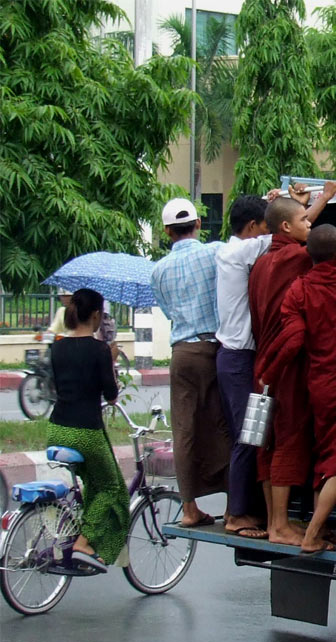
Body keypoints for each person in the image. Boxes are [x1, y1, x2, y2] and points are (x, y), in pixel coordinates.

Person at [254, 193, 336, 553]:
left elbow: (293, 339)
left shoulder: (297, 287)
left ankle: (317, 525)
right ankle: (311, 534)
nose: (306, 221)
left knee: (321, 454)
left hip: (317, 386)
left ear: (309, 253)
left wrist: (268, 370)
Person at [151, 198, 232, 528]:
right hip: (214, 348)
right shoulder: (214, 252)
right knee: (225, 424)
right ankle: (234, 506)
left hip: (181, 353)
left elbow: (169, 313)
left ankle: (189, 508)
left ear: (167, 231)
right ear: (198, 224)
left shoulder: (158, 270)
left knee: (184, 429)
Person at [46, 288, 129, 573]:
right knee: (111, 486)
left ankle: (84, 538)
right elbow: (111, 396)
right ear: (95, 315)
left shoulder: (56, 346)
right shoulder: (99, 350)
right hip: (85, 433)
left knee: (94, 481)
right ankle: (84, 541)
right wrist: (111, 359)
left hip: (57, 428)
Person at [248, 197, 313, 546]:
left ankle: (276, 520)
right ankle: (280, 526)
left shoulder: (260, 263)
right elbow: (334, 245)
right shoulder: (298, 257)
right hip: (285, 366)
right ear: (286, 227)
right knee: (286, 439)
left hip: (261, 365)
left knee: (265, 441)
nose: (310, 225)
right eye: (305, 219)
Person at [214, 194, 272, 538]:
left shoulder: (227, 249)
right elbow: (287, 230)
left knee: (245, 434)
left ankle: (235, 507)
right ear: (252, 228)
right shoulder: (242, 251)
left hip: (230, 356)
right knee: (247, 437)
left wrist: (271, 199)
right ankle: (237, 515)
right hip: (238, 359)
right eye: (263, 226)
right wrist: (320, 200)